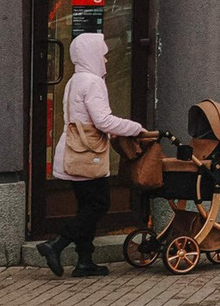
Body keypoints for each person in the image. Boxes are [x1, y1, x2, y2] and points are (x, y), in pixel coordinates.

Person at [39, 30, 148, 278]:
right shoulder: (92, 82)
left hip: (74, 150)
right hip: (88, 153)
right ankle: (56, 244)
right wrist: (135, 128)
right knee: (98, 205)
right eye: (103, 55)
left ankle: (85, 260)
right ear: (92, 55)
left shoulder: (74, 81)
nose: (106, 60)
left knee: (86, 205)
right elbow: (103, 121)